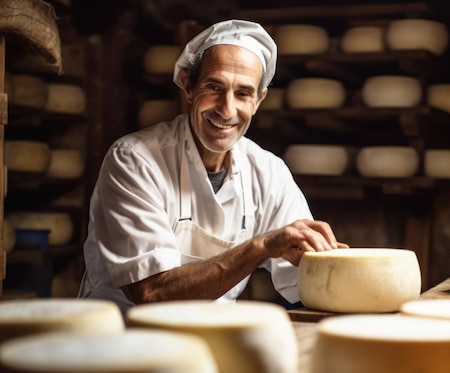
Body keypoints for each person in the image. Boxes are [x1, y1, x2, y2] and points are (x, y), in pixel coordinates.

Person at [78, 19, 348, 315]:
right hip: (121, 340)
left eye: (243, 93)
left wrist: (342, 274)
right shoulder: (134, 160)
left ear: (259, 100)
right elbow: (152, 294)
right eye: (214, 87)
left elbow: (308, 279)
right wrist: (261, 247)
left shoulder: (269, 173)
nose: (227, 109)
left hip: (210, 337)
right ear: (188, 85)